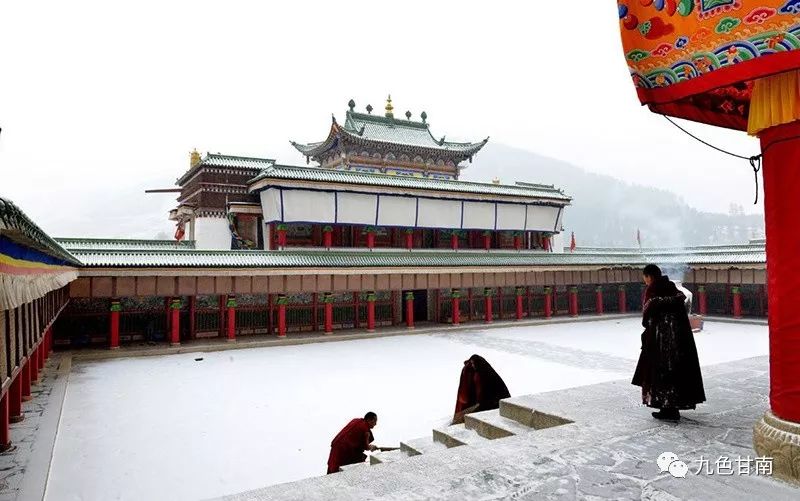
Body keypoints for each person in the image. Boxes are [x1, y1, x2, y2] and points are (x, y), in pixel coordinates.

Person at [632, 264, 706, 421]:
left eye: (645, 278)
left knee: (661, 372)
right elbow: (681, 308)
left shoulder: (653, 290)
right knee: (675, 371)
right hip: (678, 339)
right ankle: (671, 408)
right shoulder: (673, 288)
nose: (645, 281)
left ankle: (667, 409)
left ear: (649, 276)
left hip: (660, 340)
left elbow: (647, 316)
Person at [452, 354, 510, 424]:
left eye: (473, 364)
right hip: (486, 402)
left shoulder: (485, 374)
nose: (473, 366)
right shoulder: (477, 371)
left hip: (493, 403)